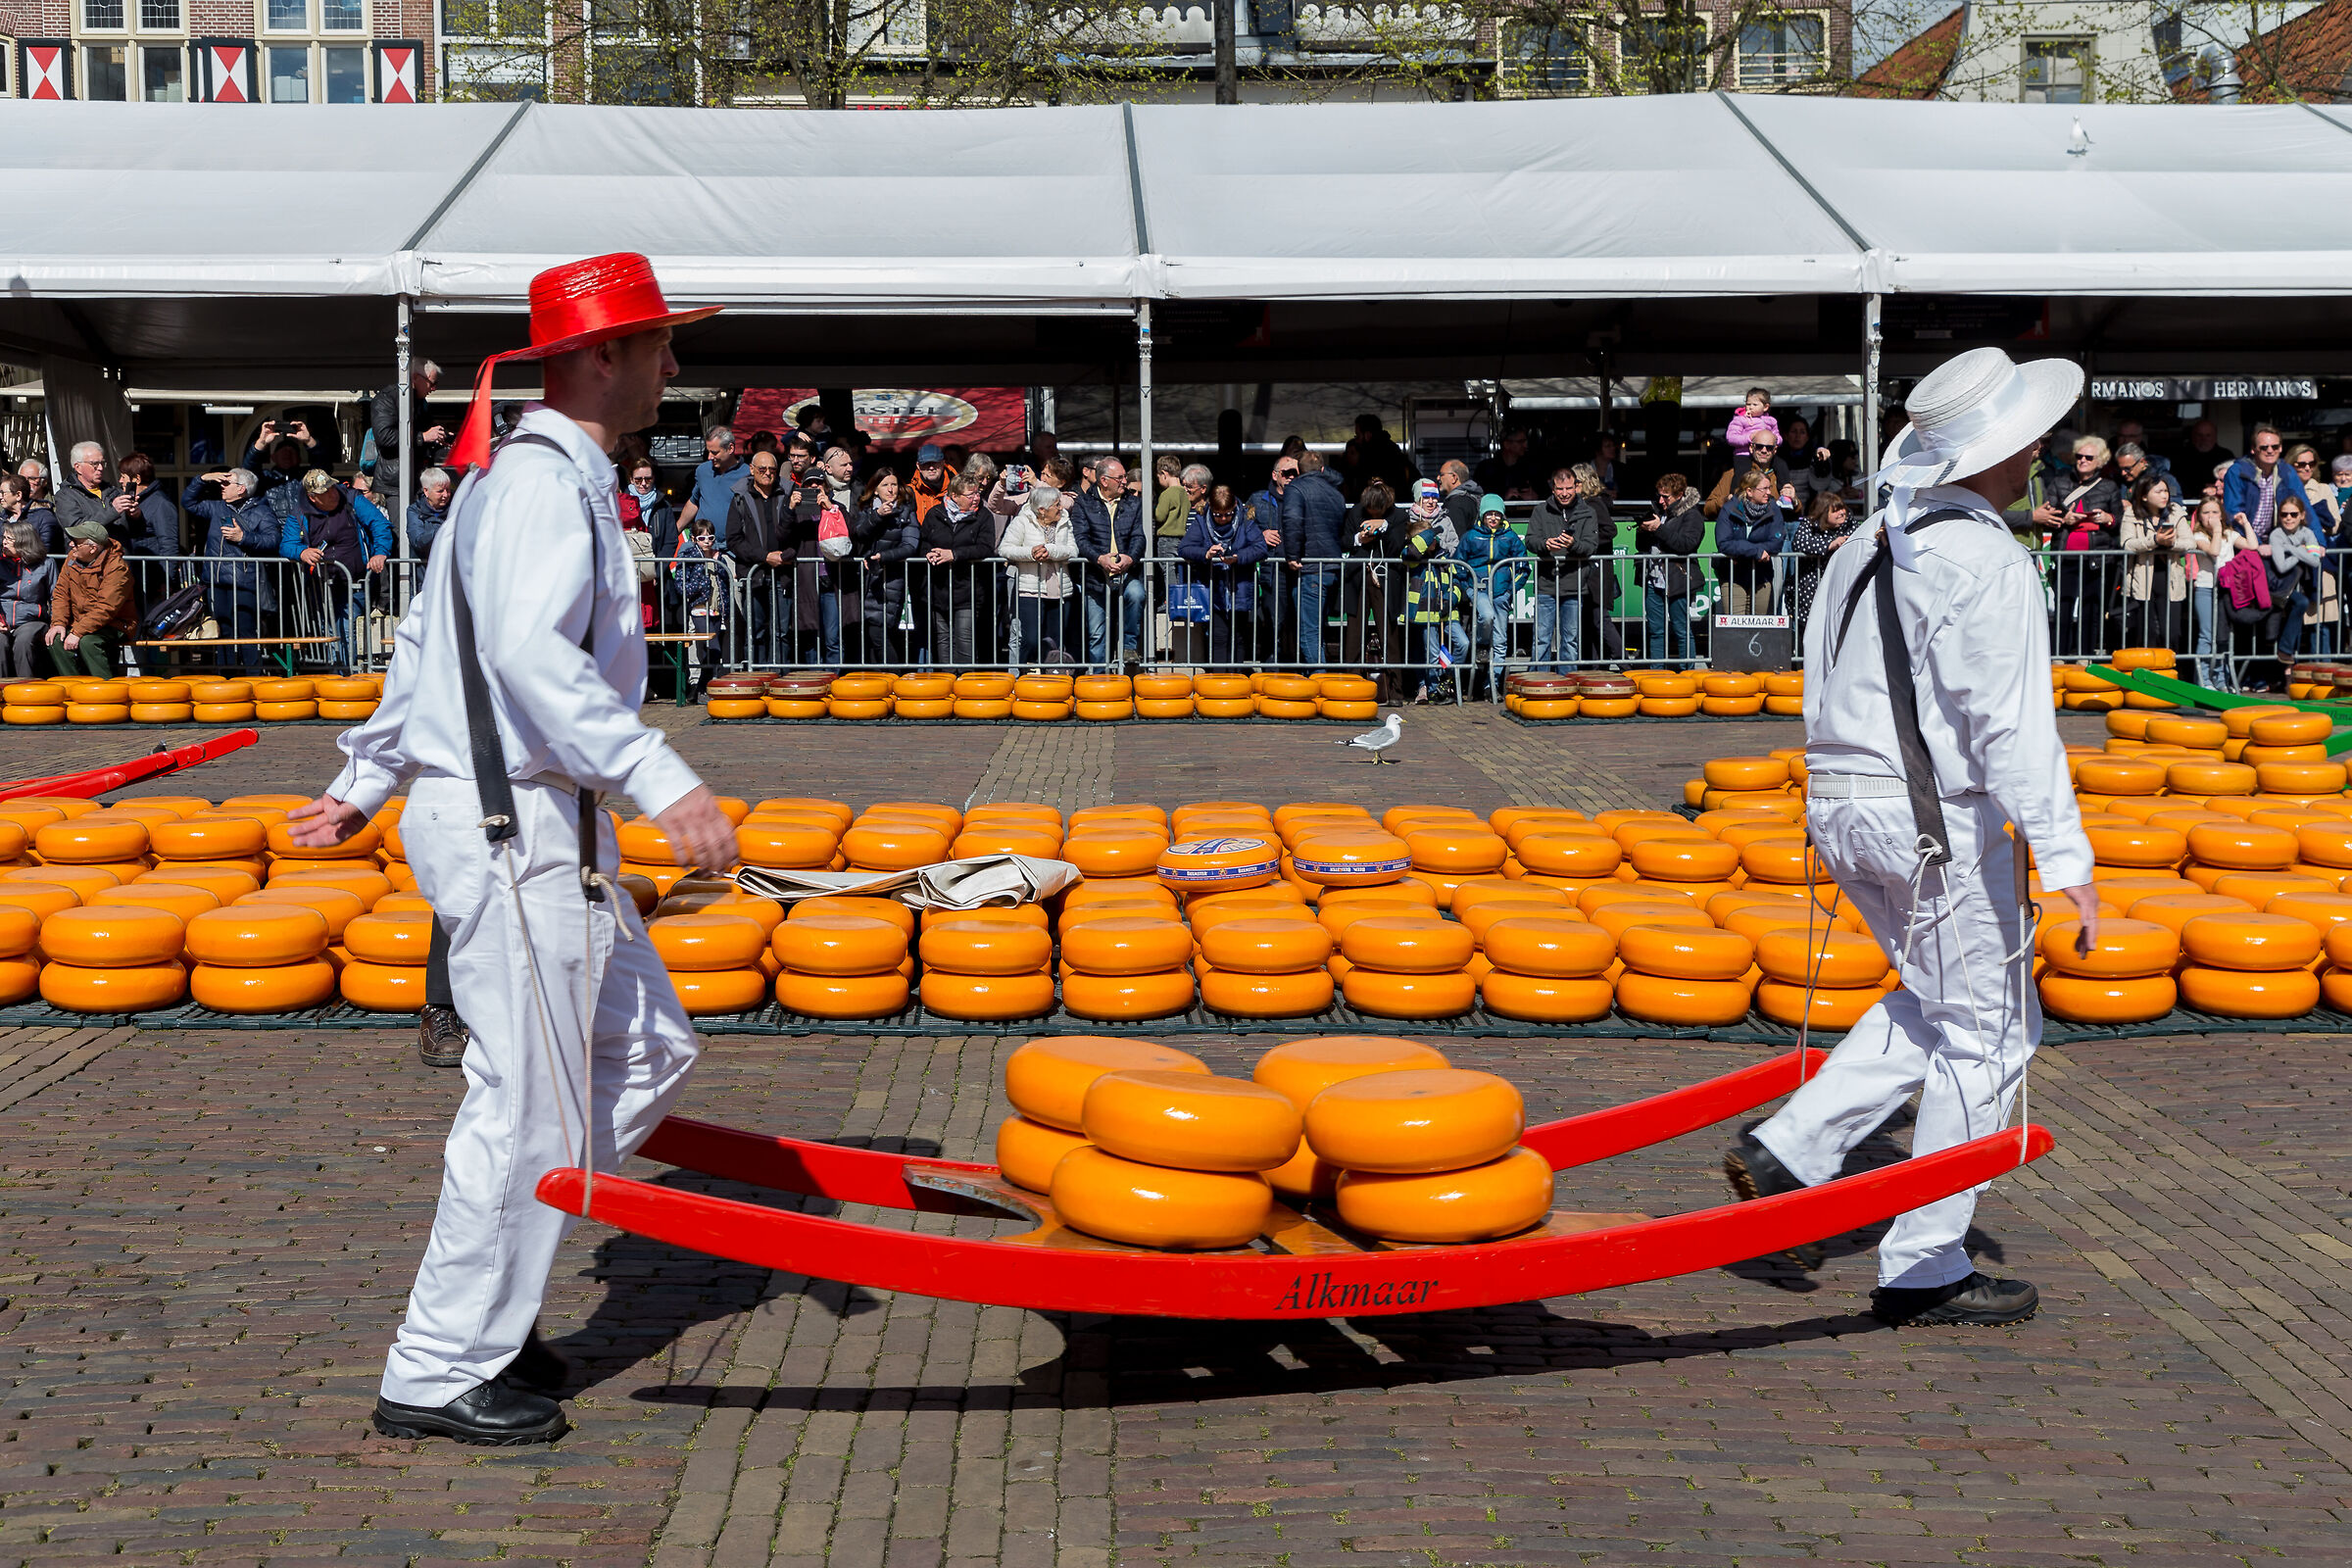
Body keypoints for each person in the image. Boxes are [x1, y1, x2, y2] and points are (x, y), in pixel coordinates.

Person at [289, 251, 734, 1448]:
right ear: (603, 354)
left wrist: (366, 779)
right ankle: (441, 1363)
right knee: (524, 1104)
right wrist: (661, 777)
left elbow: (423, 640)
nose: (673, 363)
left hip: (534, 821)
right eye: (659, 343)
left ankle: (492, 1300)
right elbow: (528, 658)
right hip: (515, 825)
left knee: (647, 1047)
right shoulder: (537, 485)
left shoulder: (532, 477)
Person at [1725, 345, 2096, 1328]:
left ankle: (1794, 1149)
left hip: (1845, 800)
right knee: (1993, 1033)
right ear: (2000, 454)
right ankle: (1925, 1261)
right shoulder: (1988, 560)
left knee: (1941, 1003)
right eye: (2031, 441)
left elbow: (1819, 679)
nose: (2040, 453)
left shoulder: (1862, 544)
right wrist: (2067, 857)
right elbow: (2010, 724)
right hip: (1933, 815)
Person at [275, 468, 393, 672]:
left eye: (331, 487)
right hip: (322, 584)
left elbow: (380, 524)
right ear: (312, 497)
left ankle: (347, 676)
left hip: (355, 580)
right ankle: (338, 676)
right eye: (325, 492)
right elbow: (287, 544)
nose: (332, 493)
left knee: (346, 630)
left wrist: (380, 552)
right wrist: (302, 552)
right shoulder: (299, 512)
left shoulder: (352, 498)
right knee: (329, 631)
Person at [180, 466, 281, 667]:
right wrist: (203, 478)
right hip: (216, 581)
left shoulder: (261, 511)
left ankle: (253, 676)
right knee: (222, 631)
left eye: (227, 483)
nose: (222, 486)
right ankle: (226, 675)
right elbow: (188, 502)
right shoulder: (218, 508)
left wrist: (243, 537)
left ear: (241, 488)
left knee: (246, 630)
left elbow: (273, 540)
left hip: (243, 580)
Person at [1177, 478, 1265, 670]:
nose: (1223, 519)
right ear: (1211, 508)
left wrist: (1238, 557)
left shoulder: (1246, 520)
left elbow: (1260, 548)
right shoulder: (1201, 520)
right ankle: (1219, 679)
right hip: (1214, 590)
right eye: (1218, 515)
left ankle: (1237, 677)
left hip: (1240, 588)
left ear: (1234, 507)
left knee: (1239, 636)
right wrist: (1206, 553)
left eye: (1228, 514)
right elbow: (1184, 548)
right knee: (1218, 636)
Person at [2047, 435, 2121, 661]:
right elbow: (2048, 512)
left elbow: (2119, 519)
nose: (2083, 460)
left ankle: (2086, 656)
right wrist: (2064, 519)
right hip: (2066, 555)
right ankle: (2059, 655)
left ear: (2100, 461)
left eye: (2089, 457)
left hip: (2096, 556)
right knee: (2063, 606)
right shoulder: (2059, 482)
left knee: (2092, 607)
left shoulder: (2109, 487)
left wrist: (2108, 518)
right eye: (2079, 456)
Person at [1070, 456, 1148, 666]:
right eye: (1120, 477)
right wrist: (1099, 558)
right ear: (1104, 481)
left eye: (1124, 476)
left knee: (1136, 594)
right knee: (1097, 634)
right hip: (1095, 576)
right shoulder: (1084, 503)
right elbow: (1080, 538)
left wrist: (1130, 557)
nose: (1125, 481)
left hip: (1126, 571)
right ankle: (1098, 678)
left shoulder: (1134, 503)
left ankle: (1129, 647)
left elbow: (1139, 536)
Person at [1396, 479, 1469, 702]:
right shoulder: (1407, 520)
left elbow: (1456, 555)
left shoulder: (1445, 519)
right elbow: (1410, 553)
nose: (1430, 501)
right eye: (1425, 497)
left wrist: (1451, 598)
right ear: (1417, 498)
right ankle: (1428, 687)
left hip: (1445, 602)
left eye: (1434, 497)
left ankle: (1446, 680)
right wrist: (1431, 534)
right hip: (1423, 603)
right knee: (1427, 647)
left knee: (1462, 643)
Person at [1527, 466, 1604, 671]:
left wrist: (1573, 545)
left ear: (1576, 486)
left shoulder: (1588, 512)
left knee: (1570, 640)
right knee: (1541, 639)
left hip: (1574, 585)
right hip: (1545, 584)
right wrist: (1545, 544)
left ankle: (1567, 682)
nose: (1564, 493)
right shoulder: (1540, 510)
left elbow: (1591, 546)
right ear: (1553, 488)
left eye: (1568, 488)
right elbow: (1530, 540)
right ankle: (1539, 681)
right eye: (1560, 489)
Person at [1280, 452, 1349, 665]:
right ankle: (1317, 674)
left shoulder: (1296, 488)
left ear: (1298, 470)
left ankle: (1318, 676)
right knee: (1318, 627)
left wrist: (1292, 555)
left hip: (1310, 566)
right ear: (1322, 469)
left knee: (1309, 630)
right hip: (1332, 566)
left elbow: (1292, 520)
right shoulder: (1335, 492)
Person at [724, 450, 792, 668]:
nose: (767, 473)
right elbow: (734, 539)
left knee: (781, 632)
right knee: (755, 631)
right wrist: (764, 557)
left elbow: (799, 531)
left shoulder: (789, 493)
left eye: (772, 469)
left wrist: (786, 556)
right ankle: (757, 676)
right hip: (754, 576)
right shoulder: (740, 498)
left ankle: (779, 678)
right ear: (752, 470)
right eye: (762, 469)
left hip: (783, 574)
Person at [918, 473, 995, 664]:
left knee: (964, 638)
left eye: (977, 493)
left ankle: (966, 679)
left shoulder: (983, 516)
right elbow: (924, 541)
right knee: (943, 639)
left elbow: (985, 547)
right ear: (954, 496)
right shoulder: (935, 514)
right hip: (939, 588)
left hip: (968, 588)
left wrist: (955, 554)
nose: (976, 498)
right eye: (970, 494)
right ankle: (947, 677)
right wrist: (928, 553)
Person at [1001, 483, 1077, 668]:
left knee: (1055, 643)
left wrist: (1050, 551)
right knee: (1031, 639)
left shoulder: (1065, 520)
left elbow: (1073, 550)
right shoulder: (1022, 521)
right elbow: (1005, 548)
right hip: (1030, 589)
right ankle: (1022, 674)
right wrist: (1031, 553)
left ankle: (1051, 677)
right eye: (1056, 505)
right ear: (1042, 510)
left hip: (1060, 589)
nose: (1061, 508)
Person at [46, 519, 136, 676]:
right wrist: (58, 623)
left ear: (93, 548)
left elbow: (106, 609)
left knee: (88, 642)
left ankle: (104, 687)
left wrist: (77, 632)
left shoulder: (117, 568)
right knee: (55, 639)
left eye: (76, 542)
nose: (71, 545)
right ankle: (73, 685)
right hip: (81, 622)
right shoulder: (72, 559)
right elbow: (60, 593)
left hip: (114, 623)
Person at [1456, 492, 1526, 688]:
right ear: (1482, 515)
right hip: (1478, 589)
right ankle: (1481, 644)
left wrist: (1511, 589)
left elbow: (1523, 566)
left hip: (1502, 591)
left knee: (1501, 639)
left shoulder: (1510, 537)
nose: (1493, 518)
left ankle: (1492, 684)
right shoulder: (1471, 536)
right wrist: (1467, 586)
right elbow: (1459, 564)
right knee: (1487, 616)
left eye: (1497, 514)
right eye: (1489, 514)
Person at [856, 466, 920, 665]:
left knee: (880, 631)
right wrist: (877, 515)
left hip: (890, 578)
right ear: (875, 489)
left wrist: (883, 557)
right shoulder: (866, 509)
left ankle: (893, 676)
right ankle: (880, 680)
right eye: (885, 485)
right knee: (872, 635)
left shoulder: (905, 510)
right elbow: (859, 534)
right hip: (866, 579)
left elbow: (911, 545)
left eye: (894, 484)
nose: (891, 489)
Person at [2120, 472, 2191, 654]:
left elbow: (2190, 543)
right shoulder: (2132, 513)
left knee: (2171, 633)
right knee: (2146, 633)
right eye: (2159, 491)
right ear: (2144, 496)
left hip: (2170, 578)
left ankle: (2170, 667)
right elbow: (2127, 544)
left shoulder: (2175, 512)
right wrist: (2154, 540)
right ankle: (2146, 669)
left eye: (2166, 491)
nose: (2164, 495)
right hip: (2142, 578)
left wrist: (2171, 543)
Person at [1639, 471, 1706, 662]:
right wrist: (1644, 530)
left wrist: (1659, 529)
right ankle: (1657, 672)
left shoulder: (1691, 515)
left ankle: (1687, 671)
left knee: (1681, 629)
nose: (1661, 500)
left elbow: (1686, 545)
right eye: (1659, 495)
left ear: (1679, 495)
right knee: (1656, 630)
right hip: (1654, 579)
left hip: (1678, 579)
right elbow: (1642, 546)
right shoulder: (1659, 512)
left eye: (1665, 497)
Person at [370, 359, 450, 507]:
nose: (433, 389)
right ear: (415, 377)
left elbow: (426, 434)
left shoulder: (420, 403)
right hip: (396, 483)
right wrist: (423, 437)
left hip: (420, 480)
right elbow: (385, 438)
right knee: (402, 521)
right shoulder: (387, 398)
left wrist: (442, 437)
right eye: (432, 383)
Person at [1714, 466, 1785, 614]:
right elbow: (1724, 543)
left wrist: (1740, 551)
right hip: (1733, 576)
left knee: (1759, 624)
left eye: (1769, 488)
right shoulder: (1729, 509)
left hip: (1762, 576)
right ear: (1749, 491)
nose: (1769, 492)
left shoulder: (1773, 508)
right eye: (1764, 489)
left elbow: (1777, 541)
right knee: (1736, 624)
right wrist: (1756, 551)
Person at [2268, 495, 2325, 674]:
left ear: (2302, 515)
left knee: (2301, 605)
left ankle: (2286, 656)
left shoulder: (2307, 533)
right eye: (2284, 514)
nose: (2288, 518)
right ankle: (2281, 658)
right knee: (2298, 605)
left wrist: (2291, 549)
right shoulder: (2276, 534)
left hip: (2295, 586)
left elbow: (2315, 561)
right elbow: (2281, 566)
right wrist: (2300, 551)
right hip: (2276, 586)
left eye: (2293, 514)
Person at [2225, 424, 2310, 544]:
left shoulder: (2287, 472)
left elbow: (2305, 508)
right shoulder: (2237, 472)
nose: (2270, 451)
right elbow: (2235, 515)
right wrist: (2258, 544)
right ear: (2253, 449)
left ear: (2280, 448)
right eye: (2264, 447)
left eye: (2275, 447)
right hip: (2245, 541)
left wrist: (2319, 543)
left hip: (2277, 540)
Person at [1788, 491, 1859, 627]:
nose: (1842, 513)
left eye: (1842, 508)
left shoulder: (1851, 525)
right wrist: (1830, 545)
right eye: (1836, 511)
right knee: (1810, 626)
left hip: (1840, 585)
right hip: (1811, 586)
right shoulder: (1809, 525)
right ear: (1823, 512)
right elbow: (1799, 543)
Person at [2186, 494, 2234, 689]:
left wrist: (2245, 523)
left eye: (2215, 512)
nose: (2211, 516)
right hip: (2205, 588)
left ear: (2221, 515)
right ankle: (2203, 679)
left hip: (2225, 589)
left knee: (2222, 636)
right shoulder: (2198, 536)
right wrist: (2216, 530)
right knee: (2206, 635)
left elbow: (2252, 545)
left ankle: (2221, 679)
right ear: (2199, 516)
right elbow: (2214, 551)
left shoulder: (2228, 534)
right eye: (2206, 513)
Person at [676, 425, 752, 550]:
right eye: (708, 451)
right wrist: (676, 530)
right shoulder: (703, 471)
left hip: (733, 550)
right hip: (701, 548)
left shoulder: (748, 474)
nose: (709, 457)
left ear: (730, 448)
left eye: (715, 452)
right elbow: (694, 502)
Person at [0, 518, 56, 678]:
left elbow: (56, 597)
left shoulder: (46, 564)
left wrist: (57, 624)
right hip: (3, 621)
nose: (4, 542)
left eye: (9, 539)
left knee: (24, 641)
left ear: (23, 541)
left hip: (32, 621)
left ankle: (26, 688)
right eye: (4, 537)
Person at [53, 441, 113, 538]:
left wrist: (134, 515)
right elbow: (76, 529)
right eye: (95, 464)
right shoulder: (65, 497)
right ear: (78, 467)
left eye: (102, 463)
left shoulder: (113, 491)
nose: (101, 468)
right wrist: (112, 512)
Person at [0, 473, 61, 556]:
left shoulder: (44, 517)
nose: (0, 497)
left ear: (18, 495)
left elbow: (46, 550)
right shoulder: (2, 518)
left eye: (3, 493)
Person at [1474, 428, 1544, 500]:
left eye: (1526, 441)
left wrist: (1535, 497)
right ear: (1507, 444)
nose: (1525, 445)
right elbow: (1477, 497)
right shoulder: (1485, 469)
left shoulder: (1531, 468)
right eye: (1521, 441)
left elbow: (1546, 494)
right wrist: (1503, 497)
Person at [407, 468, 456, 561]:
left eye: (448, 490)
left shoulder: (456, 507)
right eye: (440, 491)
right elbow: (418, 541)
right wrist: (444, 529)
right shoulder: (415, 510)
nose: (445, 495)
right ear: (426, 491)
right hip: (425, 568)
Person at [1725, 386, 1781, 452]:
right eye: (1748, 404)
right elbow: (1731, 438)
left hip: (1765, 453)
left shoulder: (1771, 421)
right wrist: (1750, 437)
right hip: (1745, 453)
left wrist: (1774, 439)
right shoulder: (1740, 419)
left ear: (1765, 407)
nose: (1750, 407)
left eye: (1755, 404)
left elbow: (1778, 437)